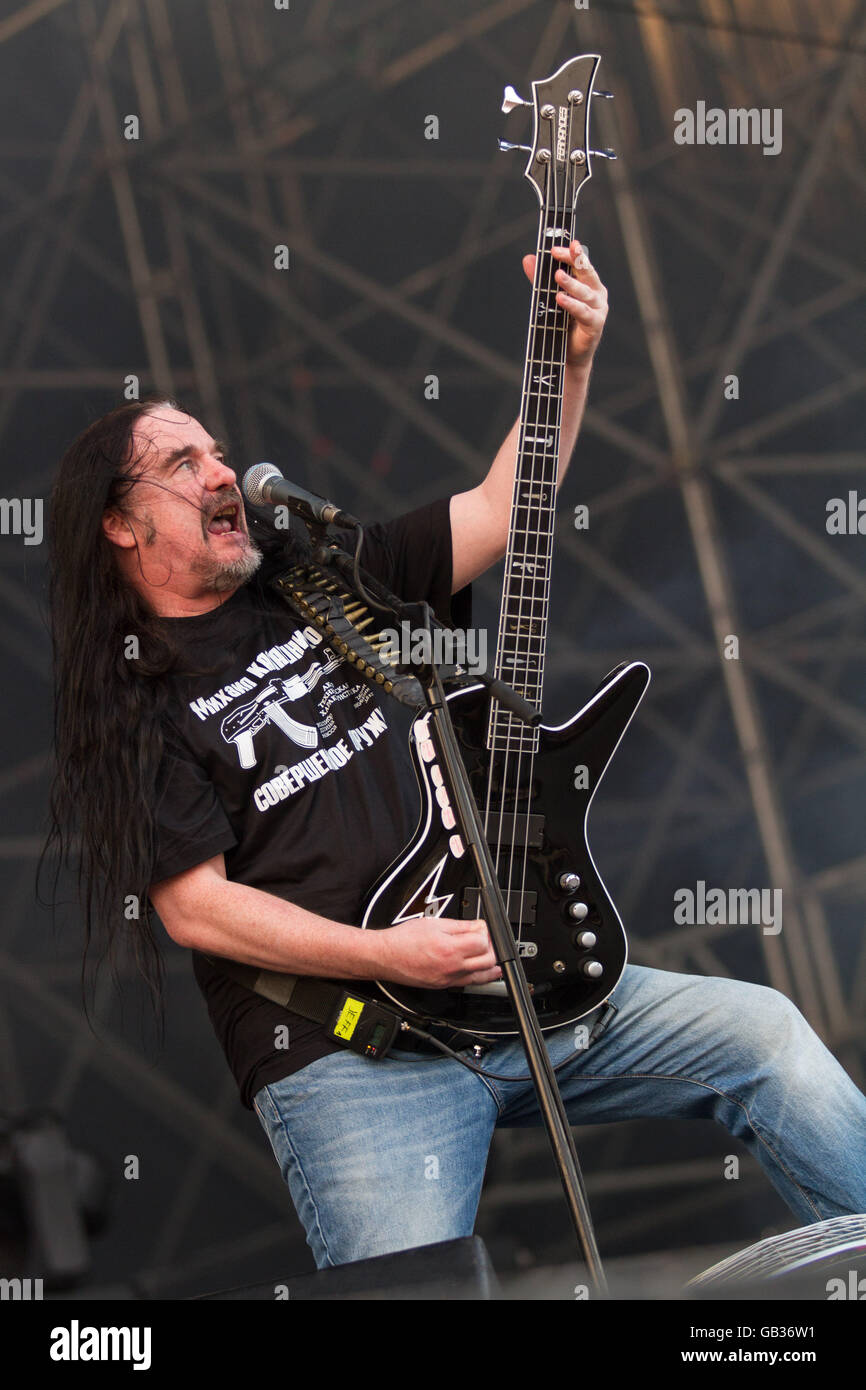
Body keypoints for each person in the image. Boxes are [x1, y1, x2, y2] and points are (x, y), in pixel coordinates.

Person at [45, 241, 866, 1271]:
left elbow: (496, 511)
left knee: (766, 1040)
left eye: (216, 452)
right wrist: (387, 955)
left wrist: (568, 362)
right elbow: (193, 908)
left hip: (516, 989)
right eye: (181, 464)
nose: (221, 473)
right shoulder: (132, 692)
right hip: (352, 1053)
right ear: (119, 524)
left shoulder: (325, 578)